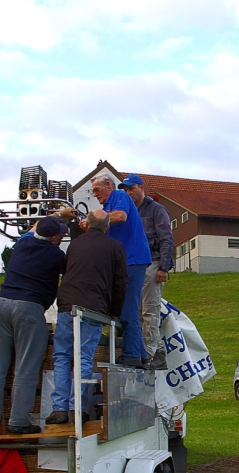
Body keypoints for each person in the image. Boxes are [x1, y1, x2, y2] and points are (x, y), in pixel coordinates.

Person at [0, 216, 68, 435]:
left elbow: (32, 229)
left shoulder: (22, 243)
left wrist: (57, 215)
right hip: (29, 307)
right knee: (25, 367)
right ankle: (18, 421)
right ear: (55, 238)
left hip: (0, 305)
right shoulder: (56, 255)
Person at [46, 210, 127, 425]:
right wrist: (115, 312)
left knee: (62, 356)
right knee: (82, 357)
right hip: (93, 307)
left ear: (87, 224)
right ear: (107, 227)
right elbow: (120, 282)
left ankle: (59, 408)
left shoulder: (74, 245)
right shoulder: (115, 247)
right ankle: (76, 407)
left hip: (66, 305)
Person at [87, 175, 152, 368]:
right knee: (126, 307)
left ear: (108, 186)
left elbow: (121, 216)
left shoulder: (118, 196)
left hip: (132, 260)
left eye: (97, 190)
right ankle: (140, 354)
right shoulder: (111, 204)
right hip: (127, 261)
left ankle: (131, 353)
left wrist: (93, 221)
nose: (95, 195)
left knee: (128, 308)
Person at [119, 174, 174, 370]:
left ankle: (148, 354)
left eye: (131, 188)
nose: (128, 192)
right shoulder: (129, 210)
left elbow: (167, 238)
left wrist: (164, 267)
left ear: (142, 188)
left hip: (153, 261)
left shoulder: (156, 210)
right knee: (138, 310)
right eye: (125, 190)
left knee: (149, 310)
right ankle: (157, 352)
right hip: (136, 264)